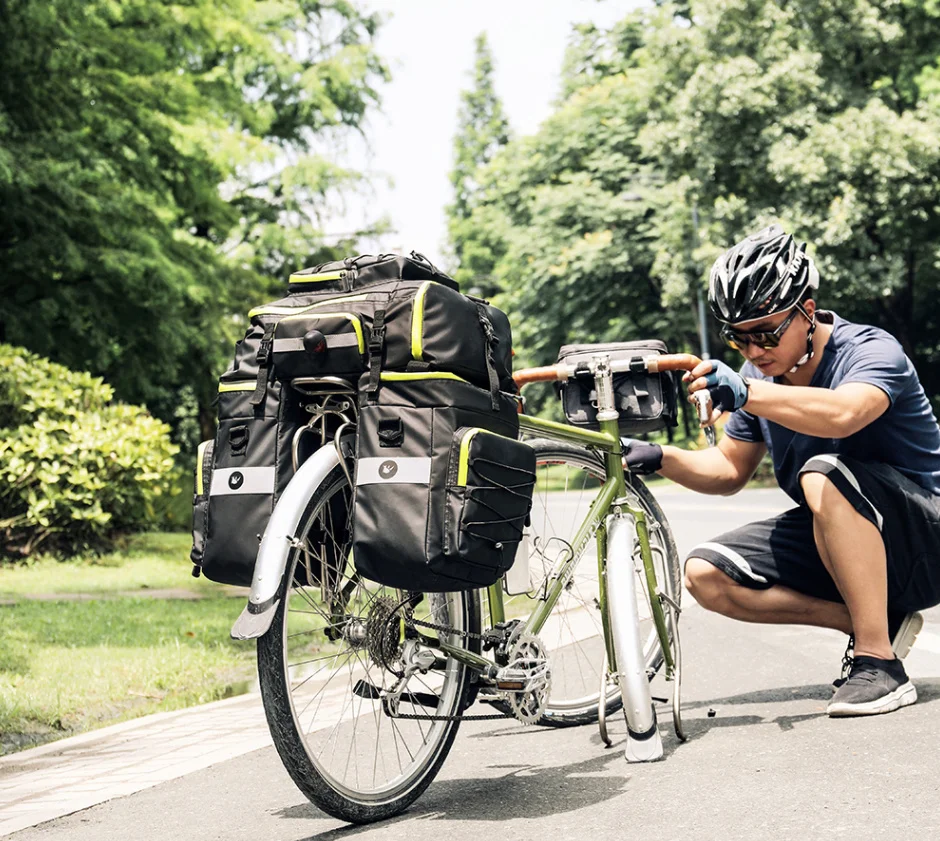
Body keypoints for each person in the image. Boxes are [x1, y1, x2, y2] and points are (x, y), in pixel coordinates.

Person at [623, 224, 940, 717]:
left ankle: (879, 664)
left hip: (924, 539)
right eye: (738, 338)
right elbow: (729, 469)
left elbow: (845, 414)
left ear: (807, 312)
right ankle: (874, 623)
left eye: (766, 333)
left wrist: (748, 393)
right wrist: (661, 456)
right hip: (841, 543)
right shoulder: (759, 377)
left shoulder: (871, 350)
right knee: (705, 575)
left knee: (823, 473)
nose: (753, 351)